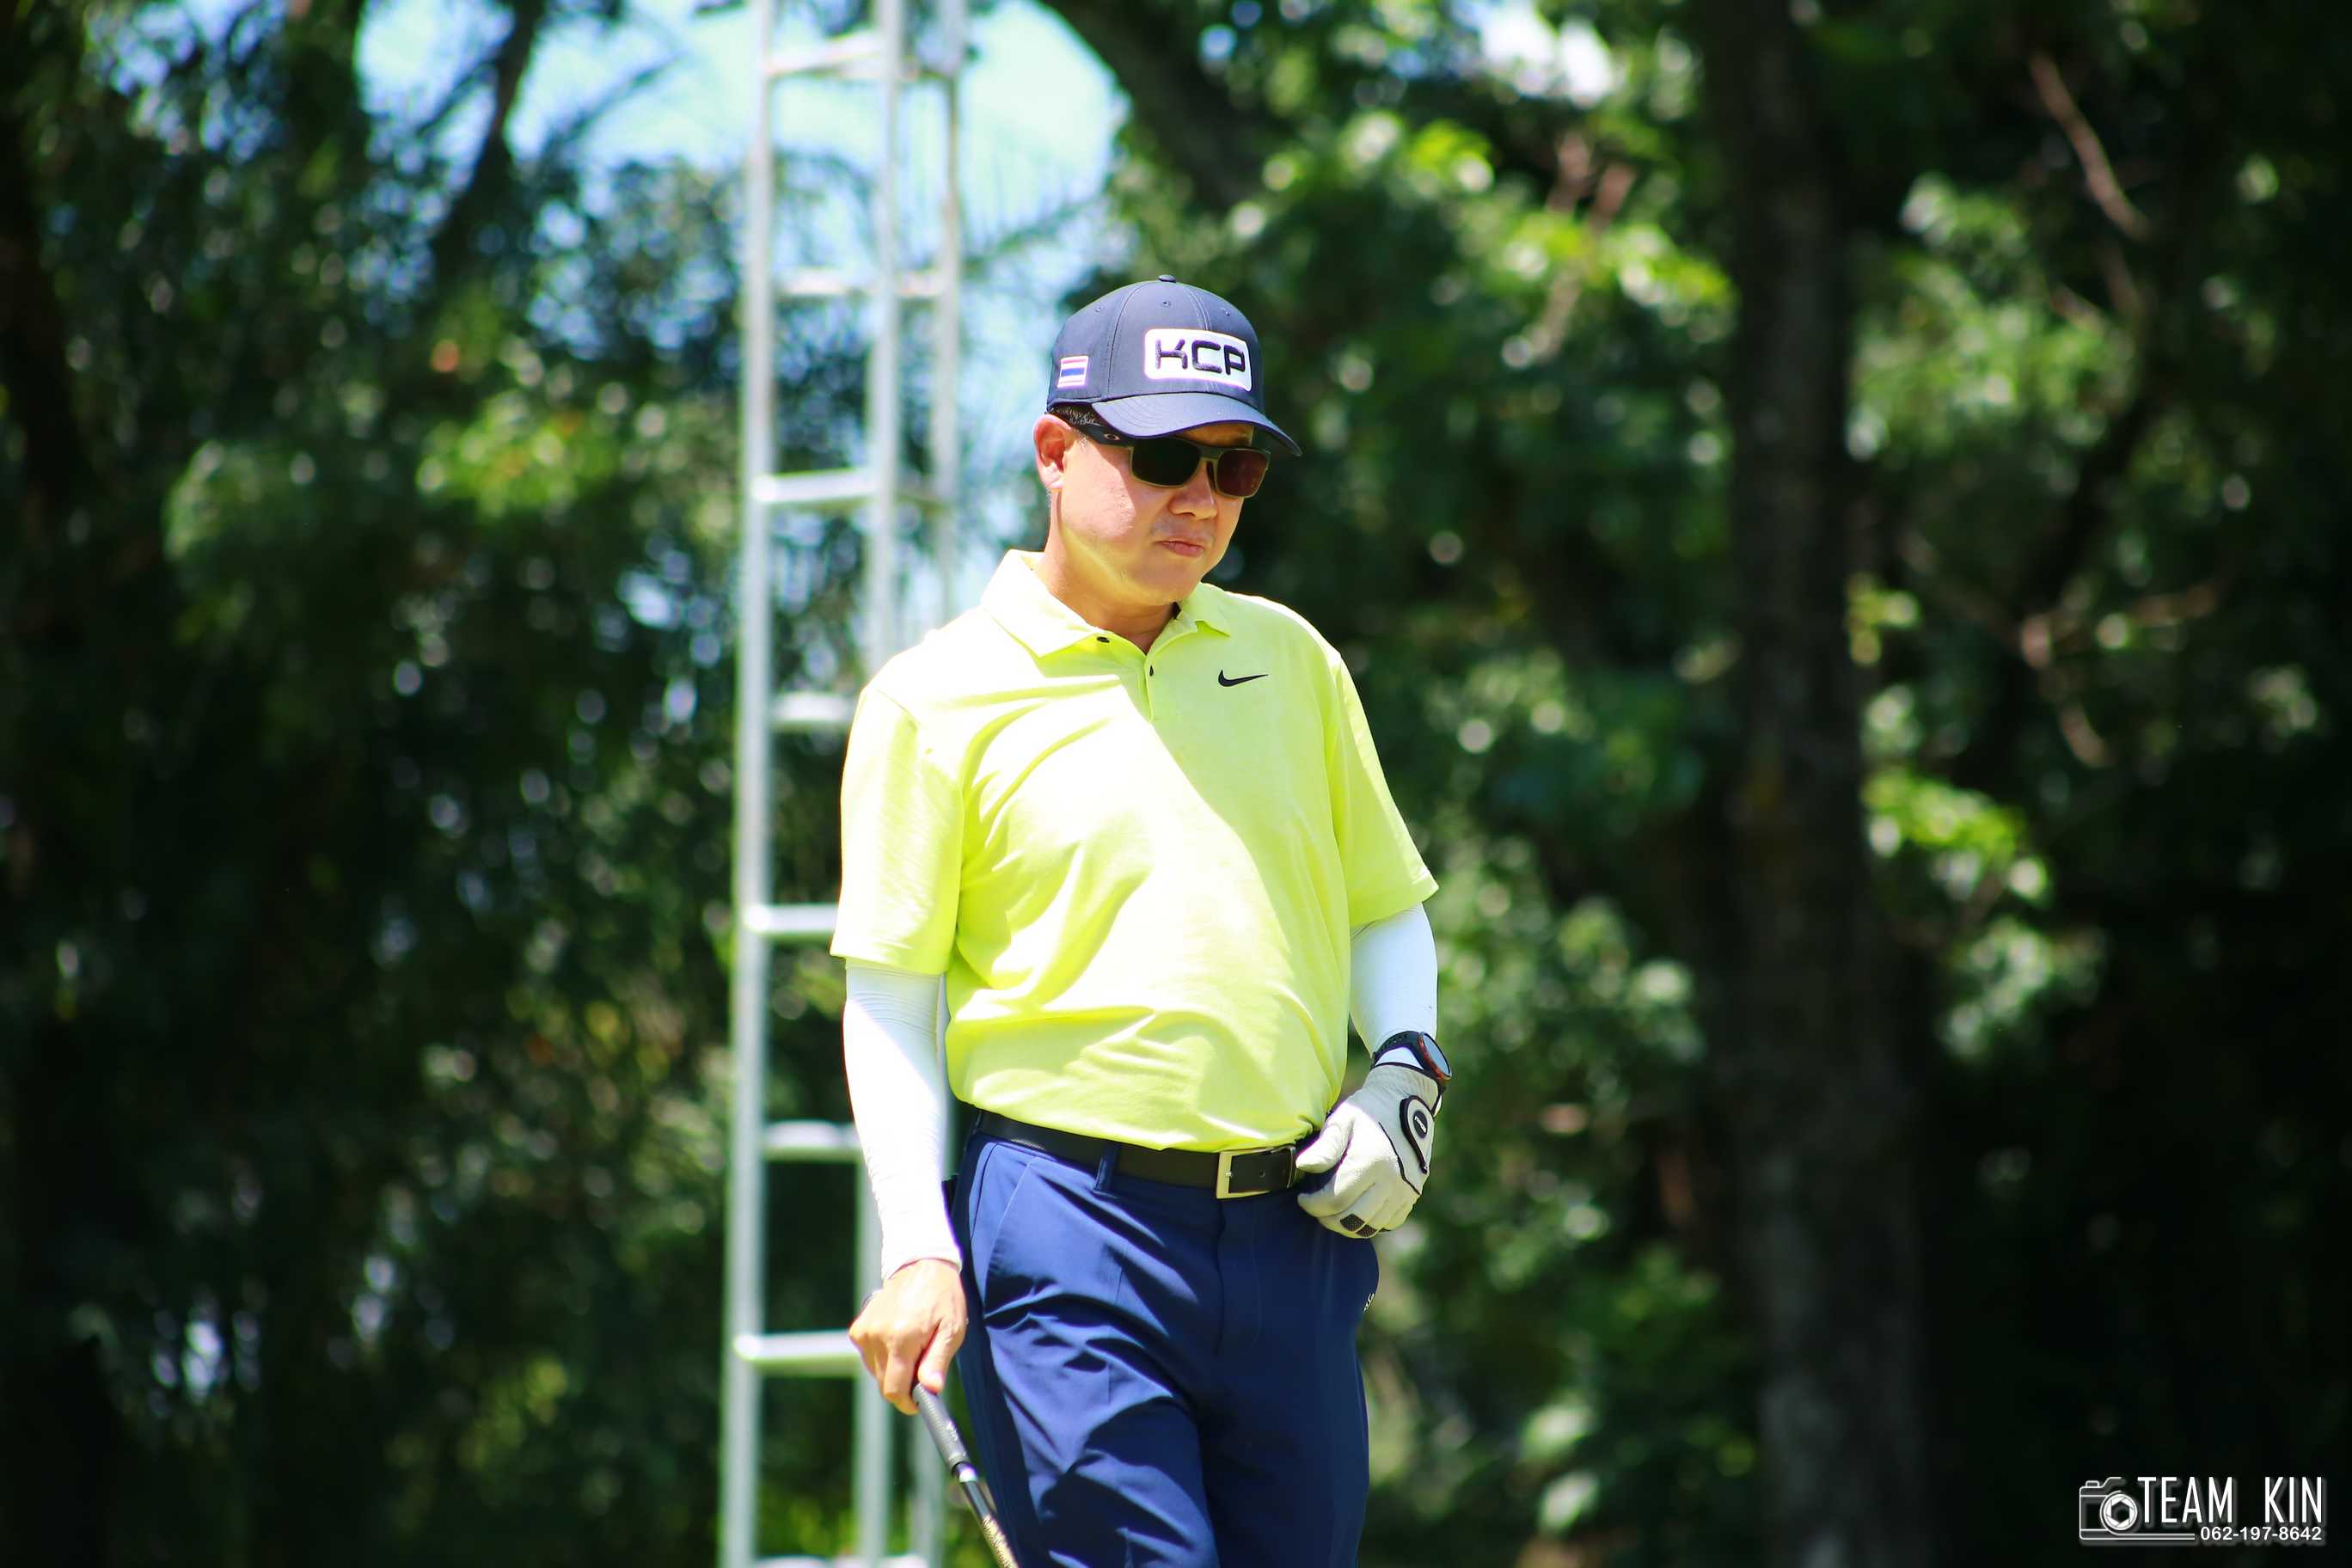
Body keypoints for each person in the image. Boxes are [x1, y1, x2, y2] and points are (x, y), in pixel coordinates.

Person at [831, 276, 1450, 1568]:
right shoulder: (932, 699)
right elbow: (890, 998)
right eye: (1165, 457)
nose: (1201, 498)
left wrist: (1406, 1067)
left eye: (1235, 467)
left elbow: (1385, 908)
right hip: (1065, 1229)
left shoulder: (1294, 661)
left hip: (1294, 1234)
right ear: (1055, 452)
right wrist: (918, 1248)